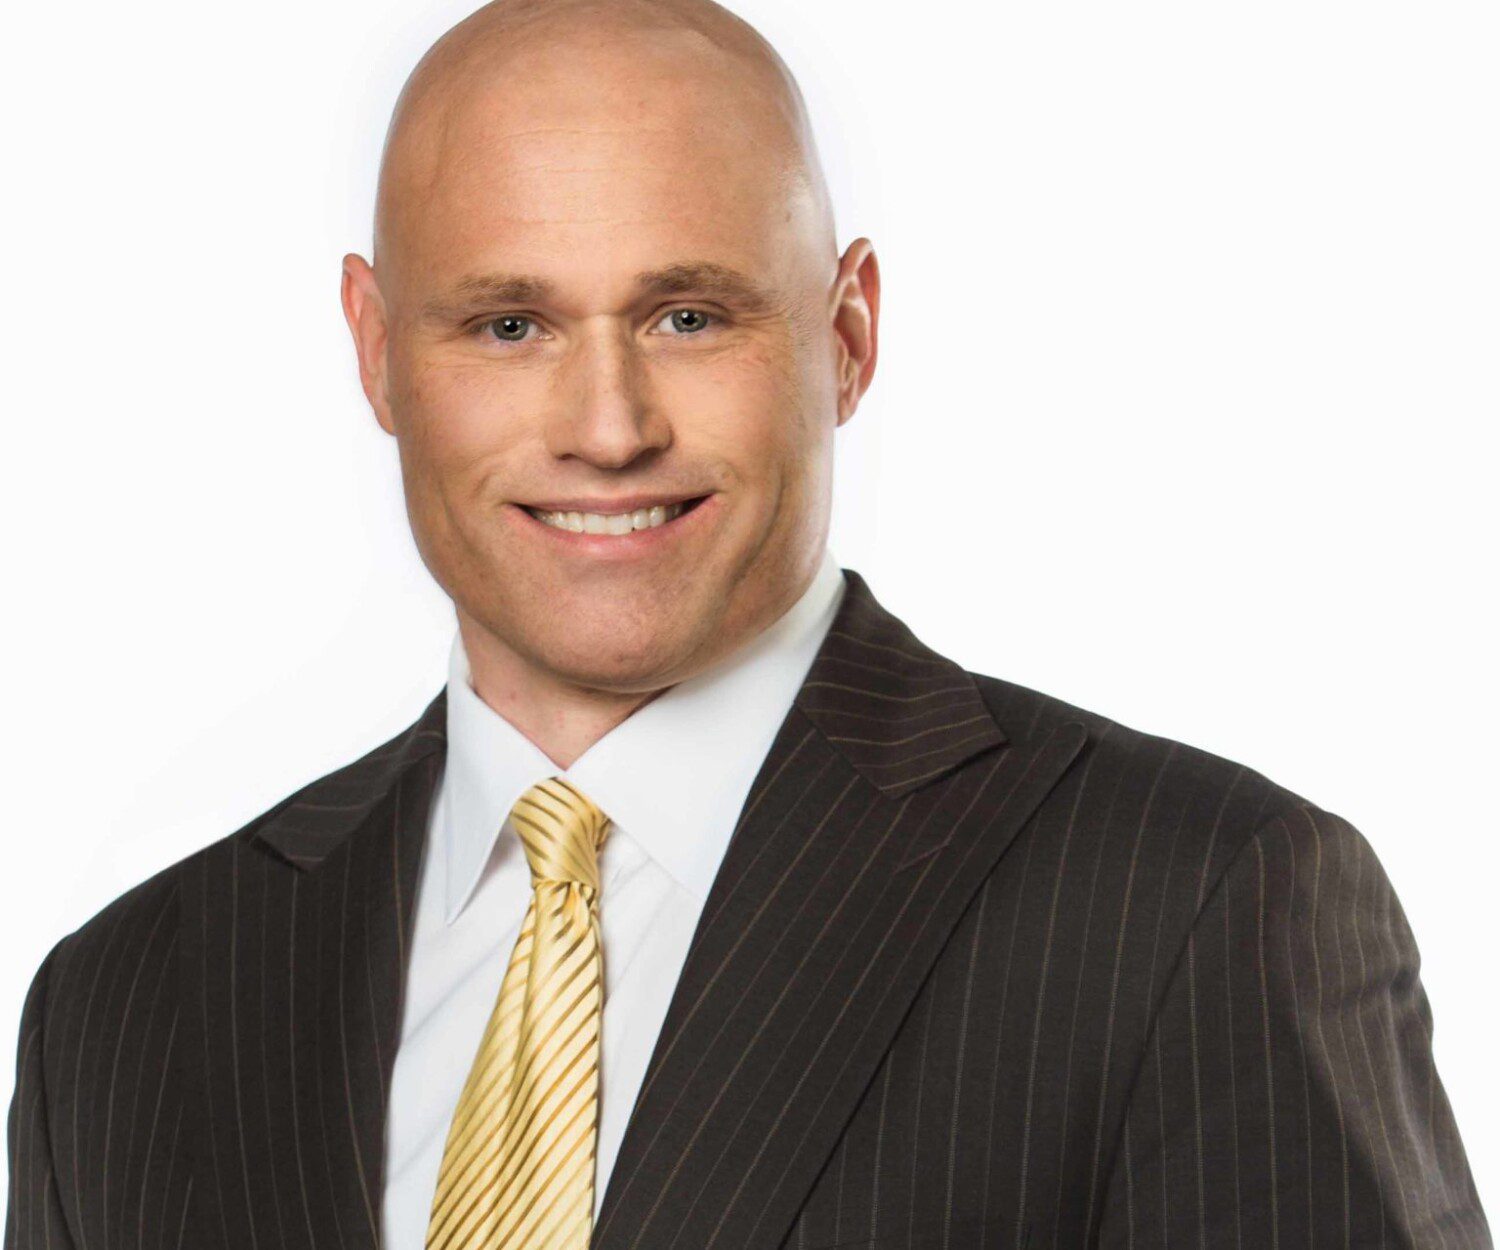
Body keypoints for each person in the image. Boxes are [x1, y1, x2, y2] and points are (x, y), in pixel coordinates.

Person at [5, 0, 1491, 1246]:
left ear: (847, 336)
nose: (607, 428)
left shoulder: (1193, 909)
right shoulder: (125, 1008)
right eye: (510, 325)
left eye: (689, 317)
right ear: (378, 352)